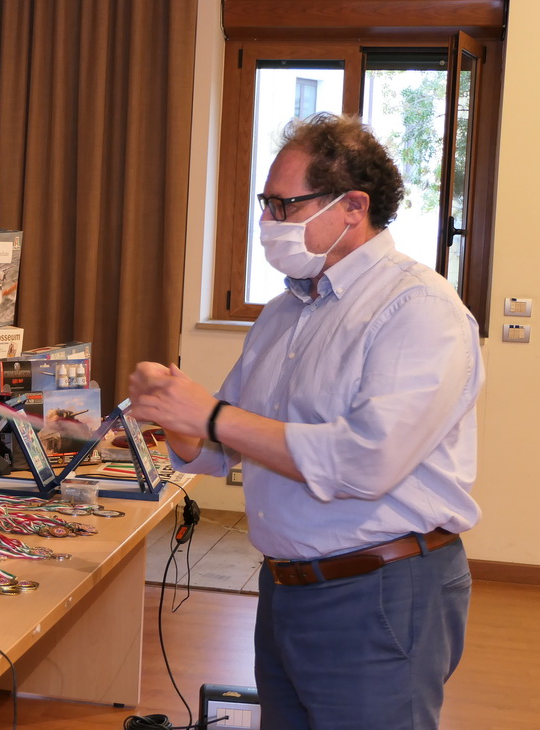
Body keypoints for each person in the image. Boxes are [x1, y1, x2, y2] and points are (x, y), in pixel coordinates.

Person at [129, 113, 483, 730]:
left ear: (353, 207)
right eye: (264, 204)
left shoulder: (418, 308)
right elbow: (220, 445)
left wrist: (210, 414)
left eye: (284, 205)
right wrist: (172, 412)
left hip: (380, 588)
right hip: (285, 587)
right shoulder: (284, 311)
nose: (268, 222)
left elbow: (364, 463)